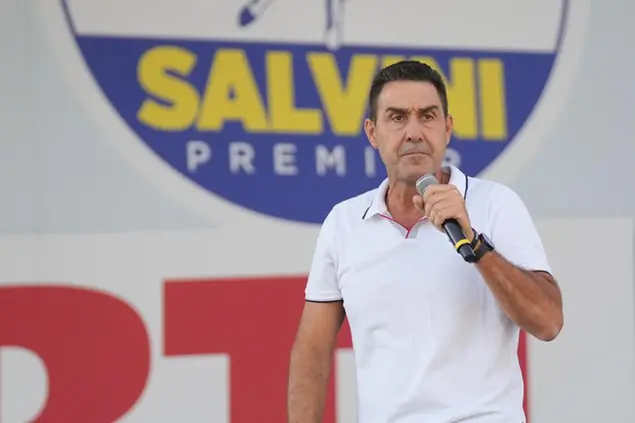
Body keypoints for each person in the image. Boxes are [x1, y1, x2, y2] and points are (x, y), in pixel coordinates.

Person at [286, 60, 564, 423]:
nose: (414, 132)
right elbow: (311, 352)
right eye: (398, 117)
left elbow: (548, 322)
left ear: (447, 128)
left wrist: (475, 245)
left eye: (427, 116)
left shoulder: (496, 204)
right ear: (372, 132)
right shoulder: (343, 223)